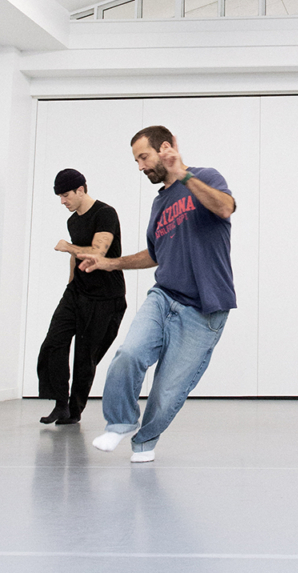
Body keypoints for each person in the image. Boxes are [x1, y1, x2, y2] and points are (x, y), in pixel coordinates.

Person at [79, 125, 236, 463]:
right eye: (136, 160)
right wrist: (109, 263)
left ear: (166, 148)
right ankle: (119, 422)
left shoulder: (206, 177)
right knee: (129, 354)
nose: (140, 166)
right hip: (163, 296)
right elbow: (155, 254)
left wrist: (183, 175)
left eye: (144, 157)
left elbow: (224, 208)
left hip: (204, 309)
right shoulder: (159, 204)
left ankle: (144, 443)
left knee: (167, 392)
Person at [37, 168, 127, 425]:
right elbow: (75, 258)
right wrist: (70, 285)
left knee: (85, 357)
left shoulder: (105, 213)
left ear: (81, 189)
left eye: (66, 195)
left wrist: (68, 247)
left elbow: (97, 252)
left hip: (106, 297)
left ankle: (74, 411)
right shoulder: (73, 220)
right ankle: (61, 404)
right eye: (60, 197)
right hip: (77, 292)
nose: (62, 201)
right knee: (53, 343)